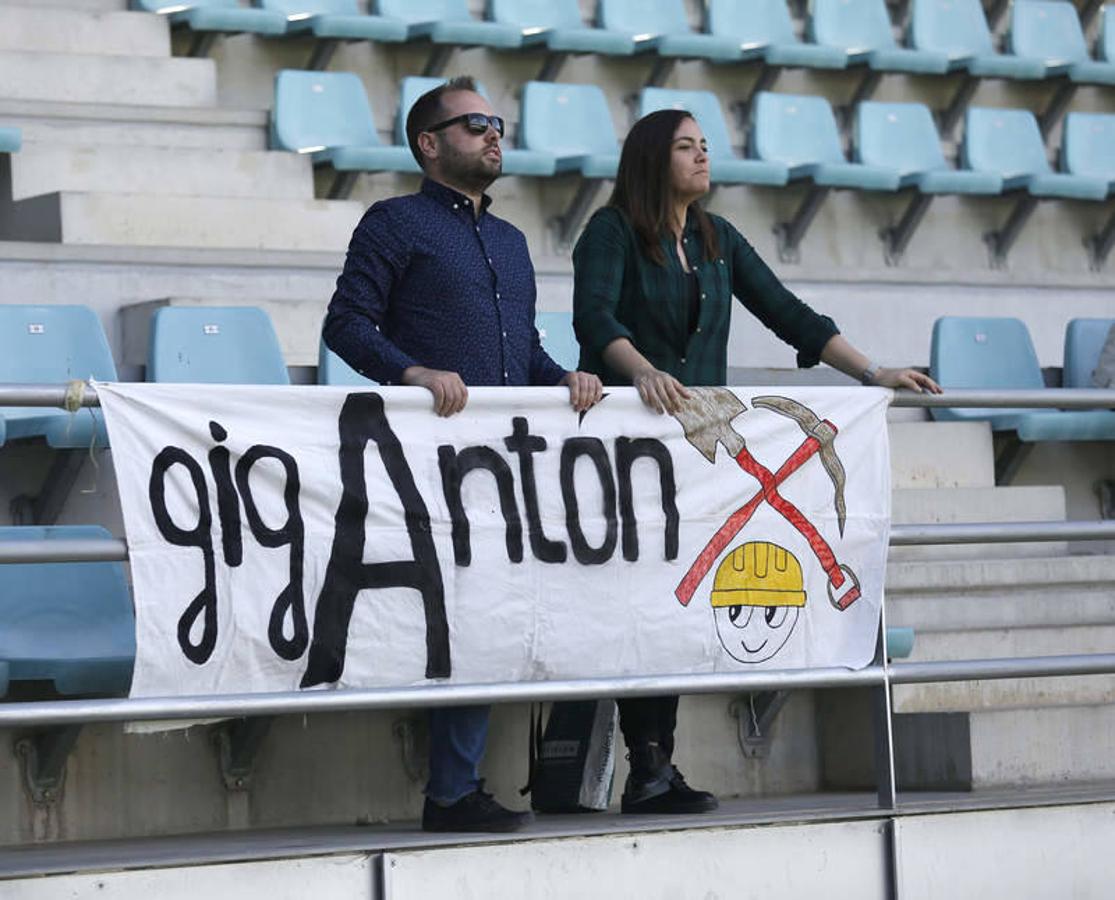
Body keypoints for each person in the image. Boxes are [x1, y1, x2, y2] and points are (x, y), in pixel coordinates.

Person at [572, 108, 941, 815]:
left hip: (699, 451)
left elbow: (789, 315)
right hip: (630, 449)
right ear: (653, 161)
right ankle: (645, 766)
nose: (702, 157)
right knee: (640, 603)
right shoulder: (611, 231)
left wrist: (872, 373)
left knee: (674, 598)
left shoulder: (717, 238)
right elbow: (595, 319)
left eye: (705, 146)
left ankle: (656, 769)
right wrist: (642, 372)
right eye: (685, 147)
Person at [323, 76, 603, 833]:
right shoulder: (394, 222)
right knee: (467, 617)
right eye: (474, 123)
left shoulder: (511, 243)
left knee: (494, 617)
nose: (492, 134)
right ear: (429, 142)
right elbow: (346, 325)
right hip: (430, 462)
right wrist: (412, 373)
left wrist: (567, 377)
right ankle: (450, 792)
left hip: (512, 466)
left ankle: (470, 787)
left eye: (497, 123)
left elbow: (525, 352)